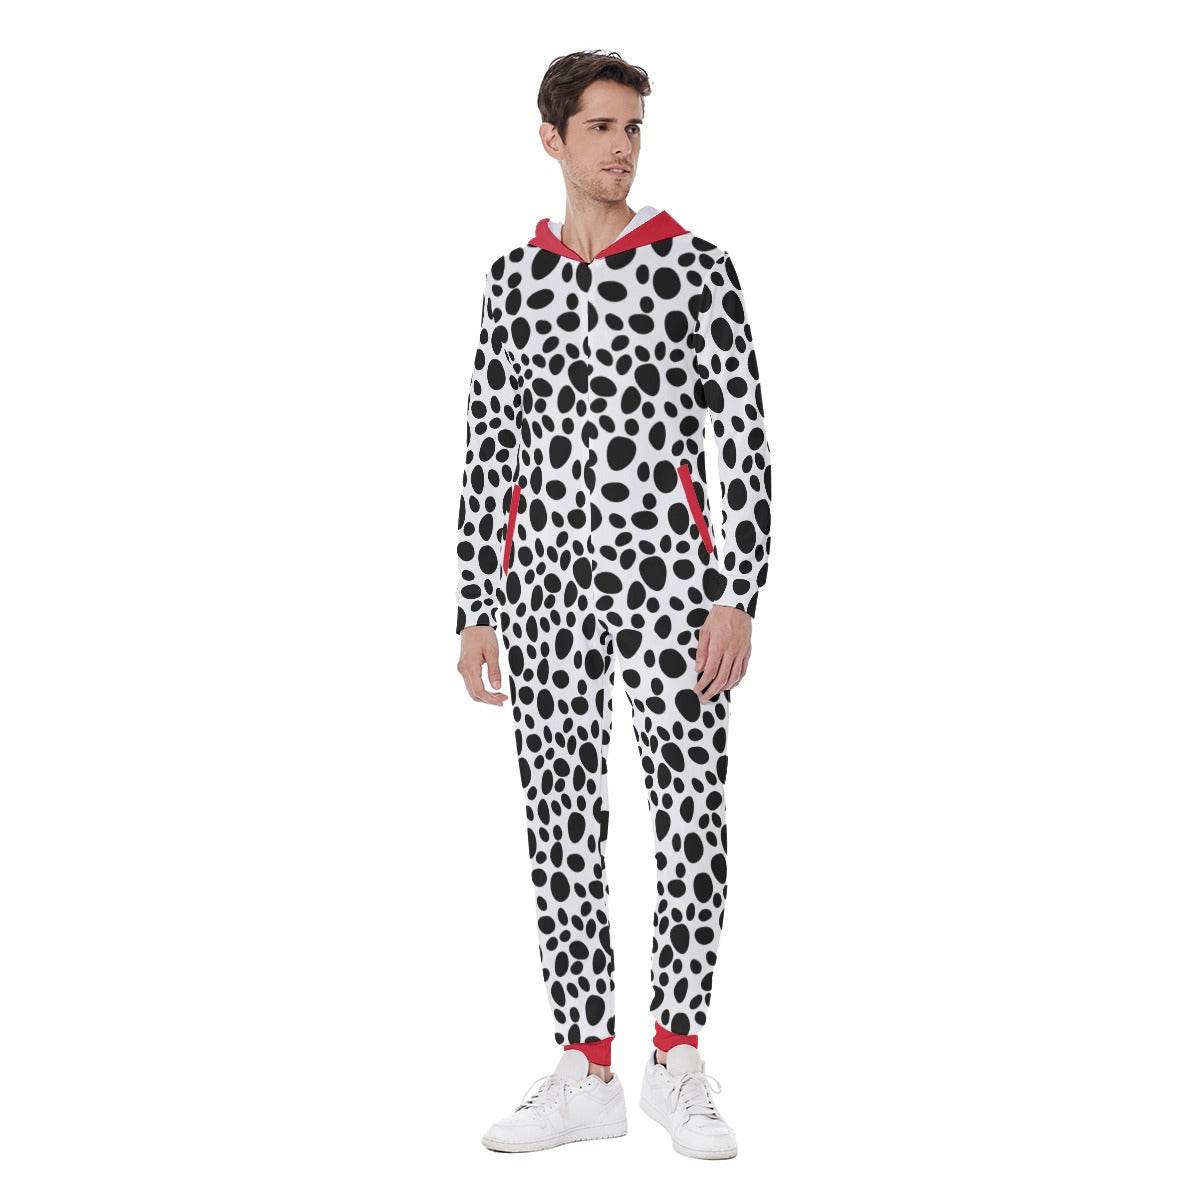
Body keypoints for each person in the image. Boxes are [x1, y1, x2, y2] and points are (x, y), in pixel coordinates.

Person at [454, 50, 772, 1160]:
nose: (622, 148)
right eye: (600, 128)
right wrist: (475, 604)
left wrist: (737, 593)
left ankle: (677, 1059)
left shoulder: (696, 268)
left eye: (633, 128)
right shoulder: (512, 281)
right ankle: (583, 1069)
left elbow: (743, 443)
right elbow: (490, 449)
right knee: (560, 826)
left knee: (691, 818)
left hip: (675, 590)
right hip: (542, 596)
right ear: (553, 138)